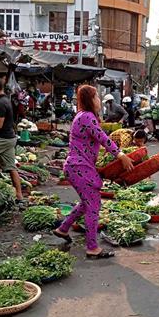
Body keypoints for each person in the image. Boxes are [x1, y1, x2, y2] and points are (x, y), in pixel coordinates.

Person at [53, 85, 134, 258]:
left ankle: (63, 228)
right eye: (96, 96)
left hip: (78, 167)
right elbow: (102, 138)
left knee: (86, 203)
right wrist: (121, 155)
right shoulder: (87, 117)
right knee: (93, 205)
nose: (99, 100)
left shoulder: (83, 116)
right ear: (89, 100)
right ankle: (92, 247)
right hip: (79, 167)